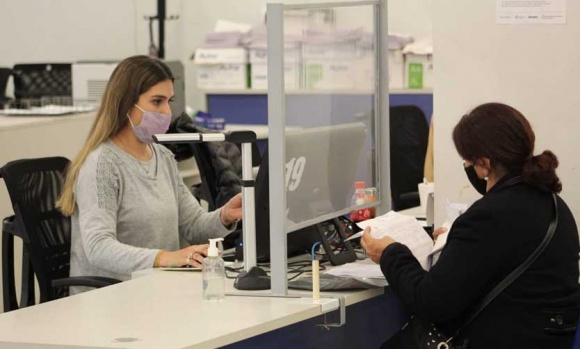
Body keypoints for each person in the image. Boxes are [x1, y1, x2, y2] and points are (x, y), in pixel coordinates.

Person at [362, 102, 580, 348]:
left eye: (468, 159)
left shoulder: (489, 216)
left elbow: (430, 302)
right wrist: (458, 246)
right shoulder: (554, 204)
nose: (467, 166)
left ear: (484, 163)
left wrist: (390, 252)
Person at [56, 55, 242, 290]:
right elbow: (98, 247)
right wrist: (164, 258)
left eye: (169, 101)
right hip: (110, 298)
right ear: (126, 103)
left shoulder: (162, 157)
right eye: (157, 102)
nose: (166, 112)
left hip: (156, 289)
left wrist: (225, 215)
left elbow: (193, 225)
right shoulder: (101, 165)